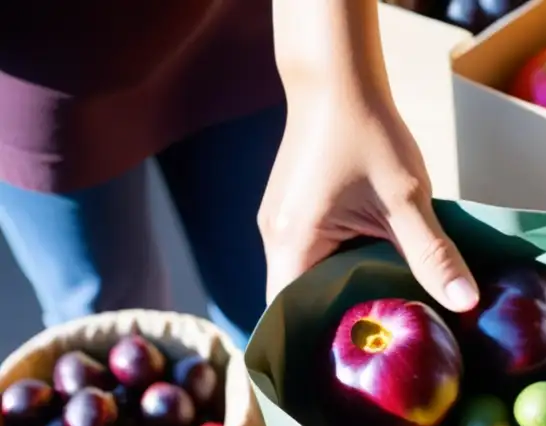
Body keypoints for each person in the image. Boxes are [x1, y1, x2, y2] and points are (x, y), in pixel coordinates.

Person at [0, 1, 479, 350]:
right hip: (37, 75)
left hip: (240, 31)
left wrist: (336, 85)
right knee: (113, 330)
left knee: (273, 303)